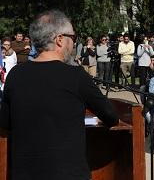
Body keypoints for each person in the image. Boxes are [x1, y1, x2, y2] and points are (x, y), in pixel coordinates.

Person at [0, 10, 122, 180]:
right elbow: (111, 116)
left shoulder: (15, 75)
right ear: (59, 39)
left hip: (24, 173)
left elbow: (5, 121)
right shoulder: (76, 76)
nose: (73, 44)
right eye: (72, 38)